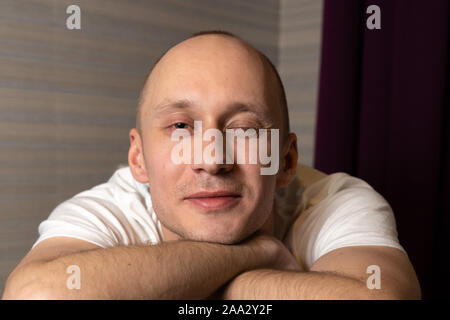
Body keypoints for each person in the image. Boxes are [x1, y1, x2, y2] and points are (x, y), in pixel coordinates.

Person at [2, 31, 420, 300]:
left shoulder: (335, 201)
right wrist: (256, 254)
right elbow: (36, 296)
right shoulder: (111, 207)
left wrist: (181, 283)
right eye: (181, 126)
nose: (212, 159)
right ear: (138, 160)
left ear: (286, 160)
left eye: (243, 129)